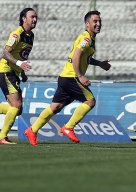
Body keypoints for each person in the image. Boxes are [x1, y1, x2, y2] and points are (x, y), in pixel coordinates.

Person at [24, 10, 111, 146]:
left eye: (100, 21)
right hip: (72, 77)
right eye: (95, 21)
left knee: (55, 107)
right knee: (90, 101)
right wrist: (80, 76)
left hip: (65, 76)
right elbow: (76, 56)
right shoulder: (86, 38)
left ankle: (32, 130)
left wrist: (99, 63)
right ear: (87, 24)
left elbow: (84, 57)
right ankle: (68, 127)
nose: (98, 24)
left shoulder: (90, 39)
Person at [0, 8, 37, 145]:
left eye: (36, 17)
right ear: (24, 18)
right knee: (16, 105)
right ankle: (2, 137)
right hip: (6, 70)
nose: (34, 19)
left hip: (14, 72)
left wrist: (22, 72)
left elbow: (22, 55)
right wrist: (19, 63)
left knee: (18, 109)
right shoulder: (17, 34)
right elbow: (5, 53)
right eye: (32, 17)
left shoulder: (31, 35)